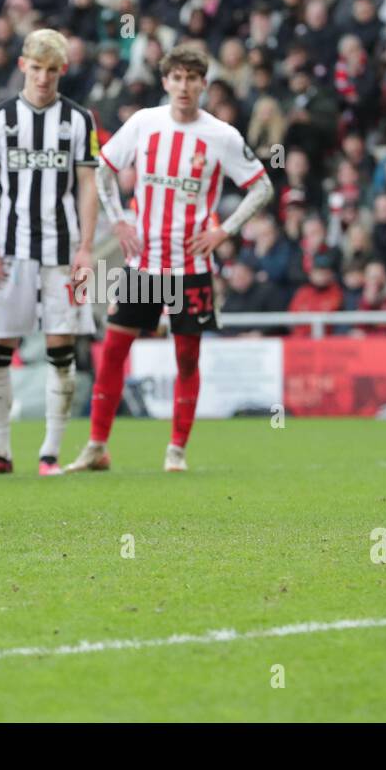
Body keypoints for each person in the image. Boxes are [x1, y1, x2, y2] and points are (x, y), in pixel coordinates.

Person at [66, 45, 273, 473]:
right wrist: (119, 220)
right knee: (113, 352)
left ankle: (176, 449)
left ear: (203, 84)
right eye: (176, 78)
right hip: (143, 265)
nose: (183, 86)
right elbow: (102, 168)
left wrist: (223, 230)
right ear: (165, 82)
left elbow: (262, 187)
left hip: (192, 268)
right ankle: (96, 446)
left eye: (192, 78)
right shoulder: (144, 122)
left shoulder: (222, 135)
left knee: (187, 357)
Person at [0, 28, 100, 477]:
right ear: (23, 65)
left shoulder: (80, 120)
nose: (43, 78)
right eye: (36, 68)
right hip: (10, 250)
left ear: (63, 71)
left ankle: (50, 454)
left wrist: (85, 249)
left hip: (61, 252)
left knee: (61, 349)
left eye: (52, 70)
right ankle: (0, 453)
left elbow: (87, 185)